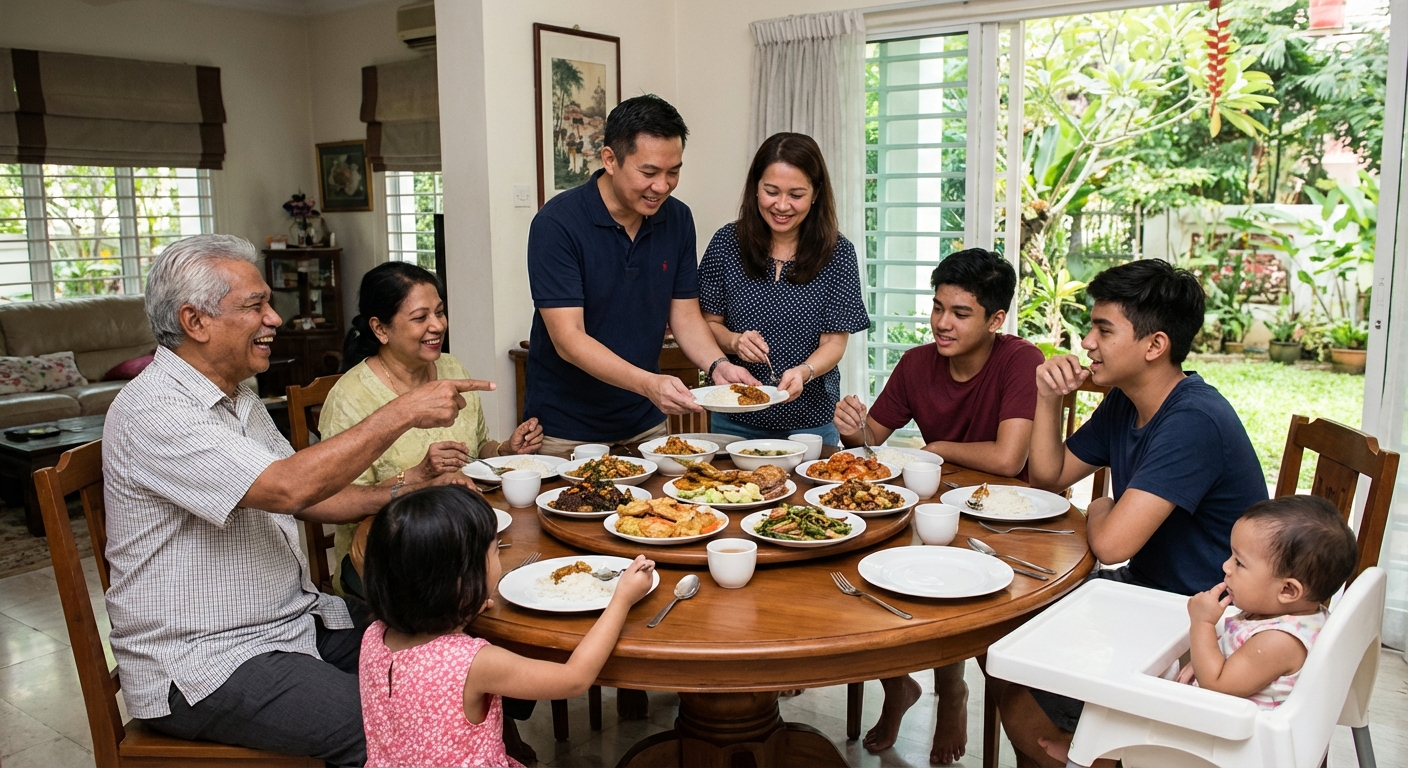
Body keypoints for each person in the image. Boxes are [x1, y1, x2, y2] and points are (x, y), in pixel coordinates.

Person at [102, 234, 488, 766]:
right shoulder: (155, 410)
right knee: (392, 726)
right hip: (206, 660)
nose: (275, 318)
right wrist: (404, 410)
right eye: (255, 305)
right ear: (195, 321)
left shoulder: (238, 397)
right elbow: (289, 486)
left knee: (454, 654)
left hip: (295, 621)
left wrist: (405, 485)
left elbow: (307, 499)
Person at [1000, 258, 1269, 767]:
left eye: (1103, 329)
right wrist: (1047, 397)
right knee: (1016, 649)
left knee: (1019, 684)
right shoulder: (1128, 400)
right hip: (1149, 595)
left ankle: (1101, 751)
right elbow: (1048, 477)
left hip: (1204, 619)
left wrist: (1100, 508)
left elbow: (1111, 544)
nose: (1086, 342)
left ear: (1154, 345)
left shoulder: (1191, 420)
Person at [832, 247, 1045, 763]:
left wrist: (938, 448)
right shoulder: (916, 363)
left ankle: (952, 691)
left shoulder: (1021, 360)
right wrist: (851, 426)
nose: (941, 324)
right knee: (862, 571)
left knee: (946, 582)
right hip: (936, 506)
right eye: (937, 308)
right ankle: (897, 685)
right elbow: (872, 442)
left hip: (1008, 517)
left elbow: (1009, 456)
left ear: (996, 319)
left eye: (960, 313)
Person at [1038, 495, 1358, 766]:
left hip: (1237, 746)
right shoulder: (1290, 614)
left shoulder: (1279, 641)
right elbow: (1239, 665)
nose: (1226, 567)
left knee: (1130, 691)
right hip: (1234, 723)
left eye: (1240, 563)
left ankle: (1095, 753)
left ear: (1288, 590)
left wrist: (1202, 624)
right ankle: (1095, 747)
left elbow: (1218, 685)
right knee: (1146, 680)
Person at [526, 94, 757, 458]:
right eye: (648, 172)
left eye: (673, 171)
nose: (662, 186)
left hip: (645, 423)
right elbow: (568, 338)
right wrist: (649, 383)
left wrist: (718, 364)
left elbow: (683, 313)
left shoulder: (677, 219)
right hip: (566, 429)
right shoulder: (557, 225)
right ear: (610, 160)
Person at [358, 485, 656, 767]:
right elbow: (574, 678)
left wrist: (463, 606)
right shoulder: (474, 662)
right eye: (494, 550)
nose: (497, 556)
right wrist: (622, 599)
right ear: (461, 579)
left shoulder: (374, 636)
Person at [321, 261, 543, 598]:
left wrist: (505, 451)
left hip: (456, 535)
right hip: (383, 550)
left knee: (527, 571)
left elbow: (478, 446)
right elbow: (337, 501)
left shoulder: (451, 367)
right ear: (381, 329)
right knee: (479, 592)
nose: (438, 325)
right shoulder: (351, 398)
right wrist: (417, 476)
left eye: (439, 312)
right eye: (420, 317)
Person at [698, 132, 869, 445]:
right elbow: (707, 324)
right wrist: (735, 342)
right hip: (733, 418)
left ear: (816, 193)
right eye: (771, 191)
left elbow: (834, 342)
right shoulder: (726, 243)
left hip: (811, 425)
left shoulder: (838, 253)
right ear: (755, 189)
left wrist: (804, 371)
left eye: (796, 195)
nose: (782, 205)